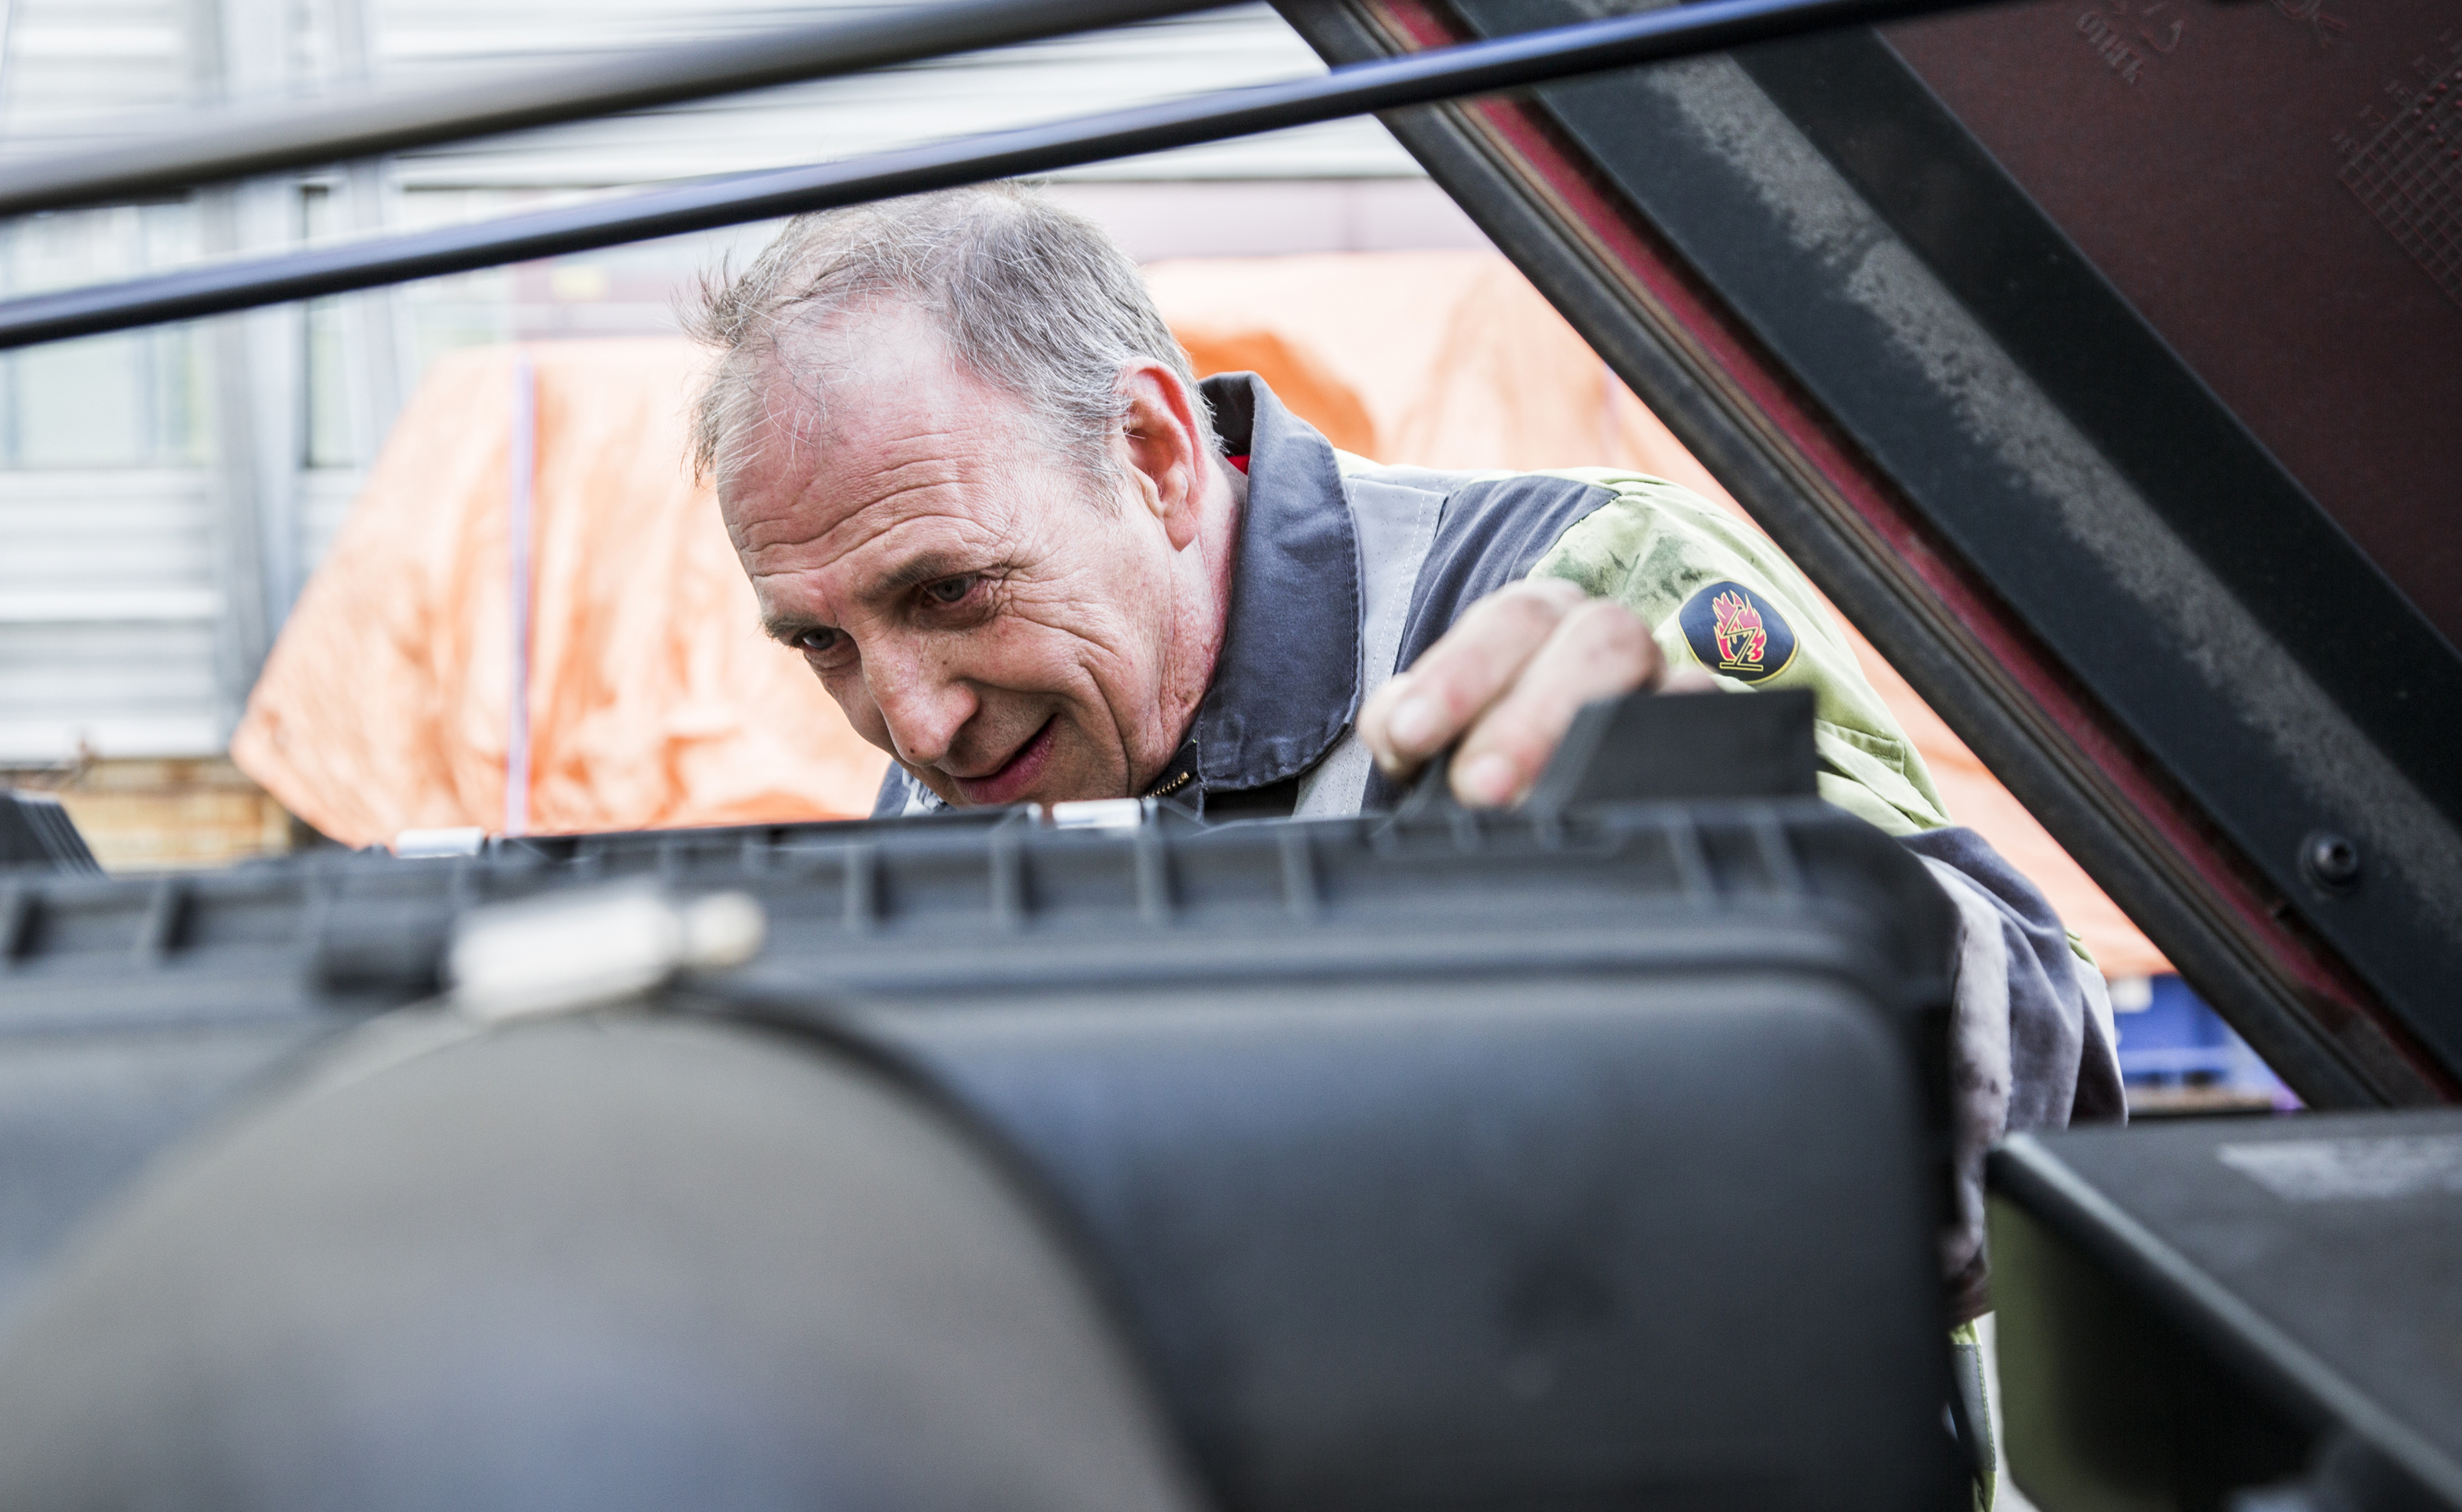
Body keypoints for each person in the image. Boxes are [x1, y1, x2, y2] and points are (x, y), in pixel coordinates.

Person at [688, 184, 2122, 1315]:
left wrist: (1748, 901)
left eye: (950, 590)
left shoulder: (1579, 591)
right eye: (821, 642)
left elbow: (2053, 1111)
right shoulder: (965, 769)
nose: (913, 722)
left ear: (1155, 453)